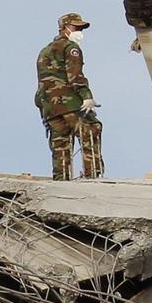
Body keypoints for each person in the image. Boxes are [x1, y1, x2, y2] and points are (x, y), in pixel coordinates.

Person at [36, 12, 102, 180]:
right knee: (90, 128)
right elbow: (75, 76)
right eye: (76, 27)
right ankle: (92, 175)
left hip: (50, 107)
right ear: (64, 28)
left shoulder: (45, 51)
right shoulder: (70, 48)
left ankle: (61, 180)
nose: (79, 31)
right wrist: (86, 96)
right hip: (69, 102)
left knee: (60, 142)